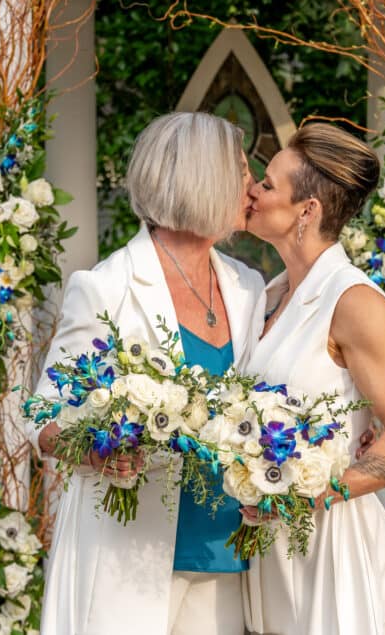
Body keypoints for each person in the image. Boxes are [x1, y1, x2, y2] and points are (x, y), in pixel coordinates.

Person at [27, 112, 267, 635]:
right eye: (241, 172)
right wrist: (98, 451)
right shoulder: (105, 287)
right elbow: (41, 416)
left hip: (224, 551)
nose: (252, 186)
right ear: (201, 180)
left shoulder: (249, 287)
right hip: (126, 552)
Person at [240, 123, 385, 635]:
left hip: (331, 546)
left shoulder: (355, 303)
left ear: (308, 210)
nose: (253, 191)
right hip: (266, 547)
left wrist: (313, 495)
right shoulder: (265, 297)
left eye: (268, 183)